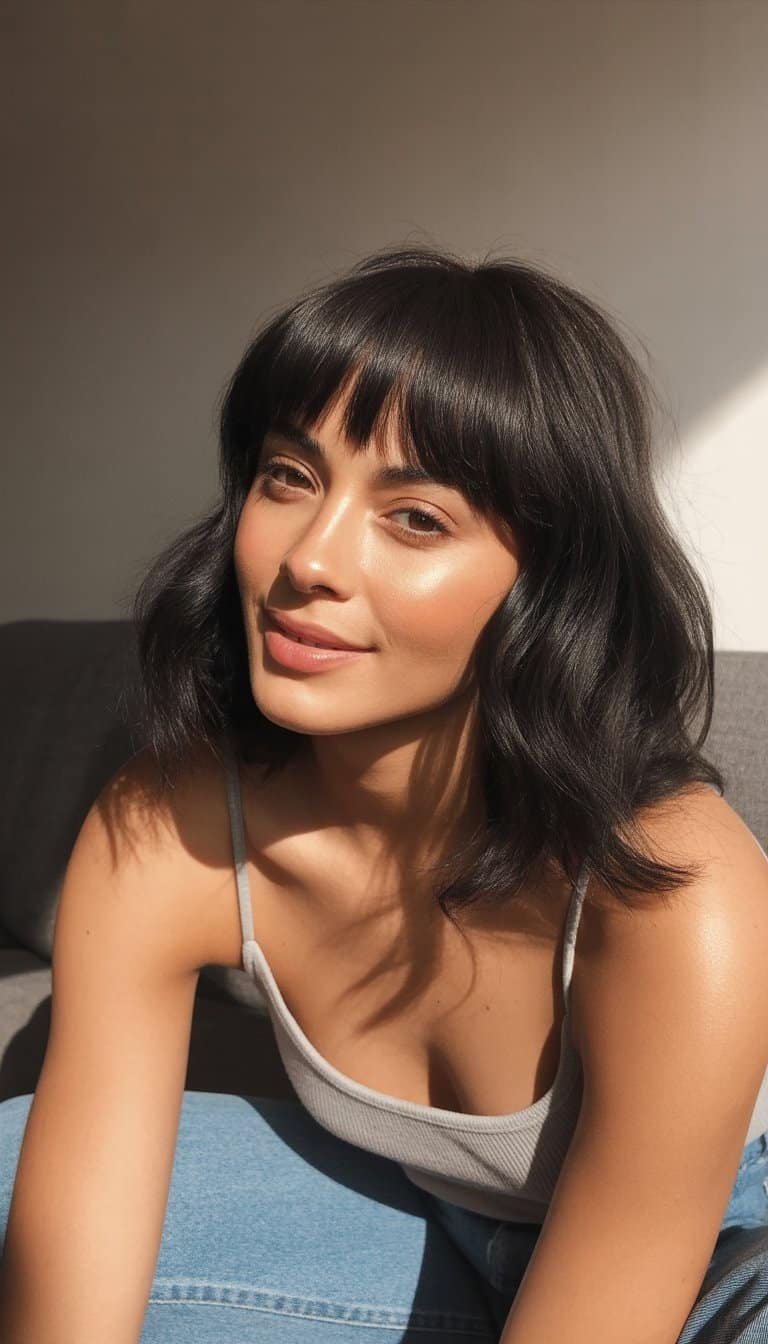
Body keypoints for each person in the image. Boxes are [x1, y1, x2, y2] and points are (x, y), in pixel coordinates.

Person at [1, 243, 766, 1343]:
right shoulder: (167, 826)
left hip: (732, 1258)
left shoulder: (675, 889)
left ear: (541, 589)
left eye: (416, 519)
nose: (310, 558)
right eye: (289, 477)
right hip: (453, 1237)